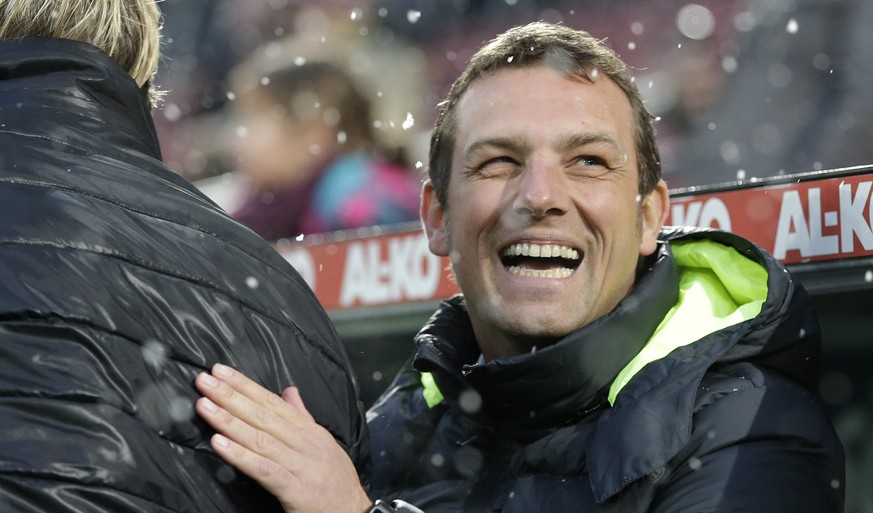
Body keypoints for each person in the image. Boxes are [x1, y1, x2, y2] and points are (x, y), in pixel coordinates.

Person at [194, 21, 846, 512]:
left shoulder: (751, 428)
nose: (538, 196)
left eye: (587, 160)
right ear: (436, 217)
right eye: (497, 161)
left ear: (649, 216)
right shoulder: (395, 427)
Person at [0, 1, 367, 512]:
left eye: (254, 118)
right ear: (142, 61)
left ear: (310, 128)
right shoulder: (276, 289)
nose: (237, 137)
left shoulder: (346, 195)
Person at [219, 52, 422, 241]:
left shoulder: (359, 202)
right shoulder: (272, 206)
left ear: (313, 134)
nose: (235, 138)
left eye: (253, 118)